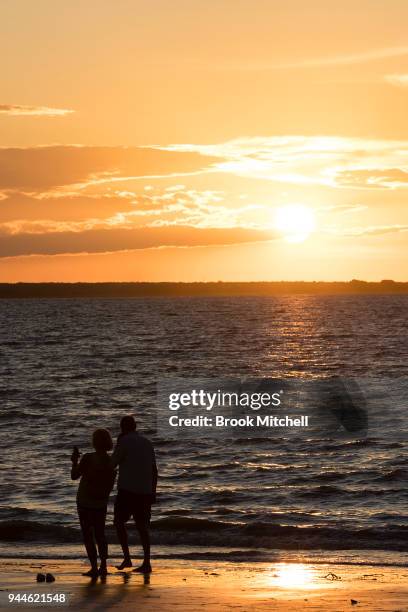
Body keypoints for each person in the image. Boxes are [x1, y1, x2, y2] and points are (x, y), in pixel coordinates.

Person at [111, 416, 157, 574]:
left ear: (122, 428)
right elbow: (154, 470)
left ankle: (127, 557)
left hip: (127, 490)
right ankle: (146, 562)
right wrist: (153, 492)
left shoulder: (124, 442)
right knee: (143, 527)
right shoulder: (147, 443)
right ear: (135, 426)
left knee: (118, 522)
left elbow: (112, 464)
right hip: (145, 491)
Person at [71, 429, 116, 578]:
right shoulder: (111, 461)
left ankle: (94, 568)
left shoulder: (88, 458)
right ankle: (103, 566)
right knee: (100, 534)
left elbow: (74, 476)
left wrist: (74, 461)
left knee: (88, 535)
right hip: (100, 503)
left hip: (84, 501)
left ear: (94, 442)